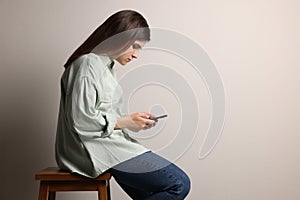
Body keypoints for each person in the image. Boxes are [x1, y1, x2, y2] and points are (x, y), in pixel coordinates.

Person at [55, 10, 190, 199]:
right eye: (134, 46)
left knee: (155, 191)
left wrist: (134, 122)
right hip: (94, 150)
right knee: (179, 184)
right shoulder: (88, 64)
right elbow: (80, 121)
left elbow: (109, 119)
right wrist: (125, 121)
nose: (136, 55)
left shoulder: (107, 69)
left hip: (110, 146)